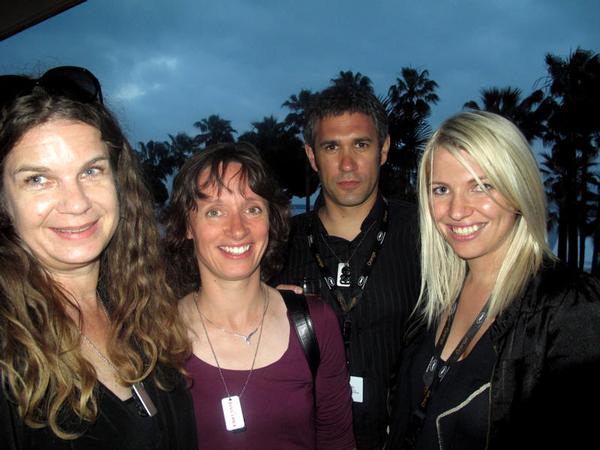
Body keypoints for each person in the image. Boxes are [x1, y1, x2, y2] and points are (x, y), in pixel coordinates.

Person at [0, 66, 196, 449]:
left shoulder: (139, 305)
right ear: (4, 202)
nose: (76, 203)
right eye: (38, 179)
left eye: (91, 171)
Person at [387, 110, 600, 449]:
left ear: (518, 191)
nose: (457, 210)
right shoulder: (437, 297)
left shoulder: (571, 310)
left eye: (482, 186)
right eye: (441, 189)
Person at [162, 142, 355, 450]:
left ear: (270, 219)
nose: (237, 229)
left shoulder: (314, 323)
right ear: (187, 224)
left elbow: (338, 441)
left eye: (252, 209)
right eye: (215, 211)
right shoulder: (157, 336)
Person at [274, 82, 420, 449]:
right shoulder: (276, 246)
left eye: (361, 144)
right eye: (331, 147)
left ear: (383, 149)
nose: (348, 164)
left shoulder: (427, 236)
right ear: (311, 156)